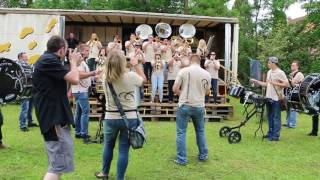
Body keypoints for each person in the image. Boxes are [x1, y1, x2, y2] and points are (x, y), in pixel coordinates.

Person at [33, 35, 80, 180]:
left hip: (54, 116)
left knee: (57, 163)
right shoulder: (49, 61)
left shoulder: (48, 60)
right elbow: (74, 78)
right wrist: (73, 62)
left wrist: (92, 73)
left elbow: (70, 75)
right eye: (66, 51)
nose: (66, 54)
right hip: (53, 117)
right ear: (61, 50)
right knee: (57, 166)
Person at [95, 50, 146, 180]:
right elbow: (144, 80)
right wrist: (136, 65)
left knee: (108, 145)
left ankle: (104, 173)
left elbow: (102, 73)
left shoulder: (105, 77)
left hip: (111, 117)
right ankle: (120, 178)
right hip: (129, 117)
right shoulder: (131, 76)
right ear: (123, 62)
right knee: (123, 150)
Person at [173, 54, 211, 165]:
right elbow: (208, 92)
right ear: (199, 61)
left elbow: (175, 88)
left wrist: (182, 94)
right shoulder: (207, 74)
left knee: (181, 132)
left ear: (190, 60)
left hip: (185, 104)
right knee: (200, 131)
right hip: (199, 105)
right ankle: (203, 155)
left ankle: (182, 159)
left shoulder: (184, 71)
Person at [251, 57, 289, 141]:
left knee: (276, 118)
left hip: (277, 99)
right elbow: (267, 84)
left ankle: (276, 136)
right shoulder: (269, 72)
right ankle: (270, 134)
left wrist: (273, 82)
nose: (268, 64)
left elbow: (287, 84)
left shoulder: (280, 72)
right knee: (270, 117)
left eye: (269, 63)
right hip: (268, 98)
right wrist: (257, 81)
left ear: (273, 63)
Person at [71, 44, 100, 143]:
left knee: (79, 112)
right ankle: (84, 134)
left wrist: (92, 77)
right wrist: (92, 73)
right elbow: (78, 75)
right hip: (81, 90)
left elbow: (83, 75)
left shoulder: (82, 62)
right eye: (87, 50)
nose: (89, 52)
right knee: (85, 112)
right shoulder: (79, 61)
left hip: (79, 90)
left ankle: (78, 132)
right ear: (82, 51)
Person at [17, 52, 36, 132]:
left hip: (31, 88)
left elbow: (32, 74)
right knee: (25, 107)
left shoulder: (28, 65)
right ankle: (22, 125)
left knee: (30, 107)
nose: (27, 58)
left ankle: (30, 122)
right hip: (24, 90)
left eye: (27, 56)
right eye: (25, 57)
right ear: (20, 58)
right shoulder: (18, 65)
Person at [284, 61, 304, 128]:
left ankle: (292, 124)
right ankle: (288, 123)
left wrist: (293, 83)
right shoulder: (291, 74)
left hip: (295, 94)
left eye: (293, 65)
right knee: (288, 108)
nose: (291, 66)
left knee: (293, 109)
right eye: (291, 65)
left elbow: (302, 85)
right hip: (289, 93)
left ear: (297, 66)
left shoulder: (299, 74)